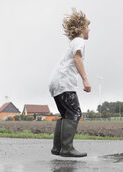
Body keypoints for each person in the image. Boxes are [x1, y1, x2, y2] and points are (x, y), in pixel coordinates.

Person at [49, 8, 91, 157]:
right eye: (87, 27)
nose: (89, 30)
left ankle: (58, 148)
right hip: (64, 82)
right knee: (74, 112)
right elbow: (77, 58)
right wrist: (85, 79)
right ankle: (67, 148)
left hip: (55, 82)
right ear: (81, 28)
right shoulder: (79, 41)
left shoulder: (72, 42)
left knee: (66, 113)